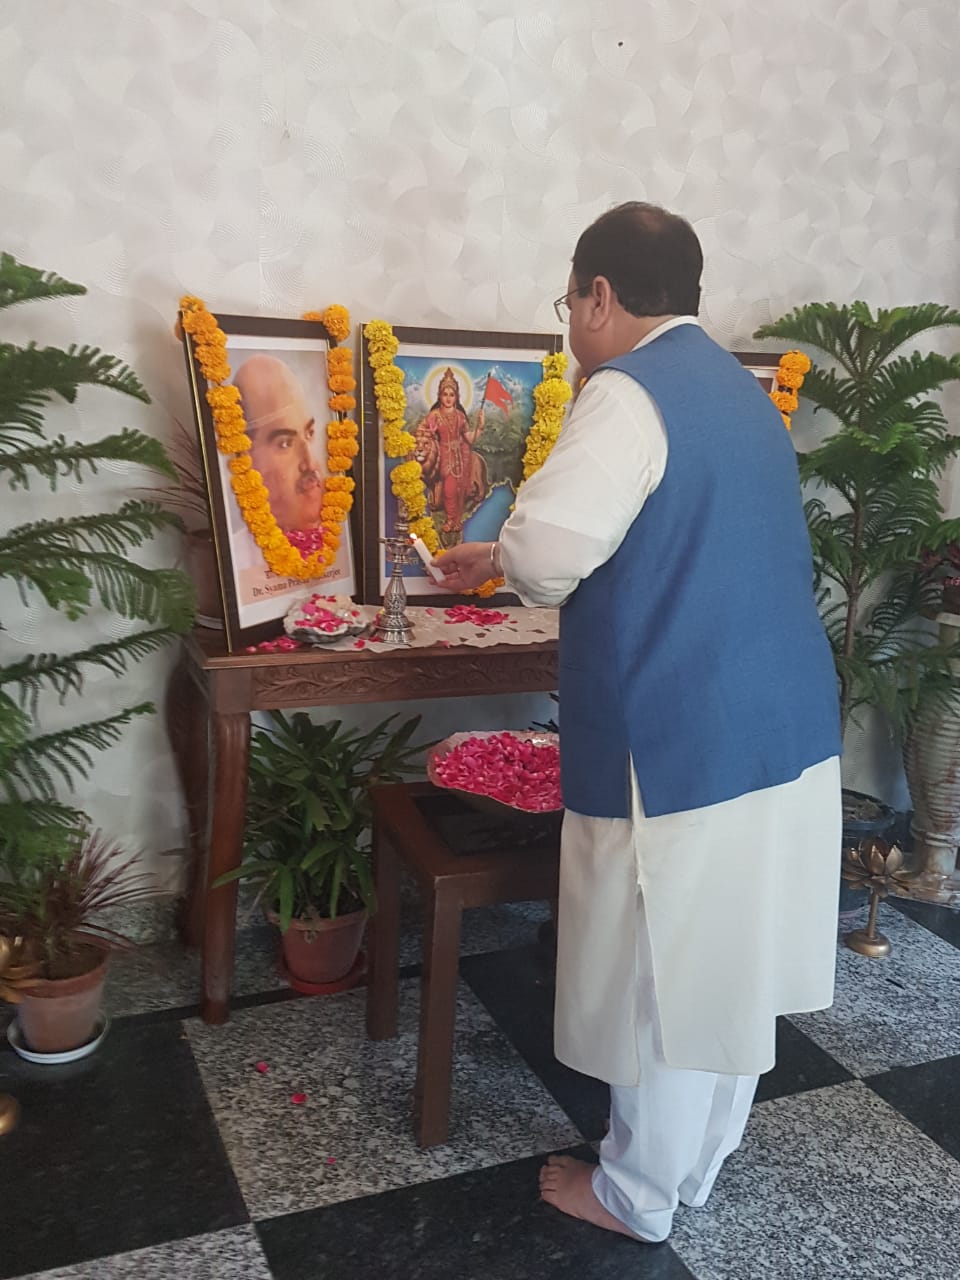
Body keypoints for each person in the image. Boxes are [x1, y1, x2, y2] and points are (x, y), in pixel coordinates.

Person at [435, 202, 842, 1244]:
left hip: (681, 739)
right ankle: (695, 1162)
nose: (570, 322)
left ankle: (635, 1191)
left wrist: (511, 549)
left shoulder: (624, 389)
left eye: (570, 300)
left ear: (601, 295)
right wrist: (517, 548)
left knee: (670, 968)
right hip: (779, 724)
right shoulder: (744, 391)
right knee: (731, 960)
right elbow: (671, 527)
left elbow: (552, 555)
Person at [233, 354, 325, 533]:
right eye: (285, 444)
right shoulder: (243, 558)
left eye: (309, 434)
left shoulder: (349, 540)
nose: (310, 463)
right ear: (247, 458)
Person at [414, 368, 486, 542]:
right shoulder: (434, 415)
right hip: (443, 454)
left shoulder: (460, 416)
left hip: (461, 454)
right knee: (449, 487)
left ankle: (456, 521)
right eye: (445, 394)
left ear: (456, 397)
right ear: (439, 396)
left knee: (462, 487)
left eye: (451, 394)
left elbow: (468, 437)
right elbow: (421, 431)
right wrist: (428, 434)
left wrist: (481, 426)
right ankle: (449, 519)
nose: (448, 398)